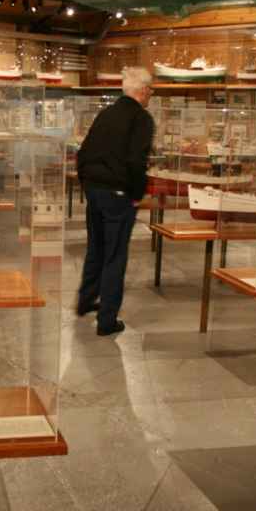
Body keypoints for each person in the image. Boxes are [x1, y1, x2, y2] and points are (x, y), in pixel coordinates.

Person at [76, 66, 155, 336]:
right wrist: (136, 194)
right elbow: (136, 161)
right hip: (118, 194)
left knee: (96, 248)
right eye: (150, 90)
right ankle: (107, 320)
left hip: (94, 190)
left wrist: (86, 183)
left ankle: (85, 301)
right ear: (142, 90)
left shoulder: (106, 114)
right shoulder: (142, 119)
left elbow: (84, 152)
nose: (151, 94)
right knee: (115, 255)